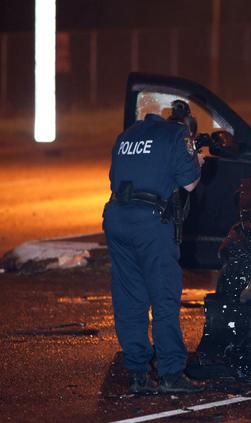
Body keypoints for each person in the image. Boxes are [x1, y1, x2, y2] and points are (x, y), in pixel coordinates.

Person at [103, 100, 204, 394]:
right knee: (163, 297)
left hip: (116, 217)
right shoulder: (176, 135)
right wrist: (196, 162)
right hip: (150, 222)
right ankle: (171, 372)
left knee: (129, 297)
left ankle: (137, 373)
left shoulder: (127, 136)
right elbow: (189, 185)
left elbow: (115, 178)